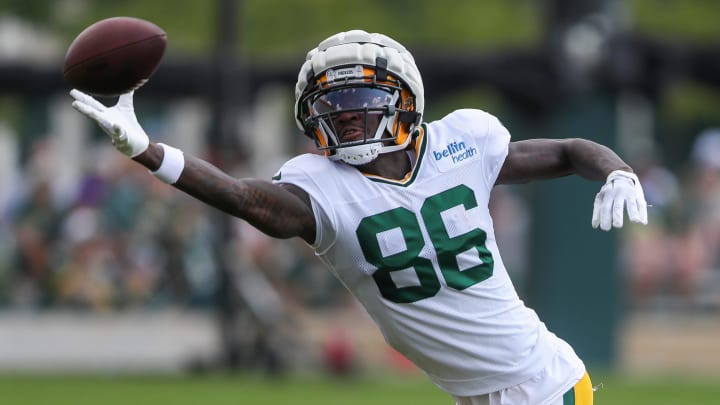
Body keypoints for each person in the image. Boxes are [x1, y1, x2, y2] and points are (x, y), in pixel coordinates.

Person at [70, 30, 647, 405]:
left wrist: (618, 169)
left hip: (539, 385)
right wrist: (150, 151)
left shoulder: (465, 141)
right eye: (330, 105)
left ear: (405, 101)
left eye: (358, 101)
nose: (344, 117)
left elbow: (570, 150)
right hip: (482, 391)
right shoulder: (320, 188)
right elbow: (245, 199)